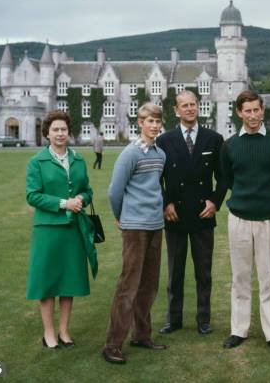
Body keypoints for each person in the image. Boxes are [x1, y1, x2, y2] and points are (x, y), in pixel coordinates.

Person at [220, 90, 270, 353]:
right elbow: (227, 179)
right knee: (240, 277)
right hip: (239, 217)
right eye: (247, 111)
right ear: (239, 113)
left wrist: (267, 199)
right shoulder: (229, 146)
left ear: (263, 110)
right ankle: (238, 329)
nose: (252, 115)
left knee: (269, 278)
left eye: (256, 110)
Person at [156, 90, 227, 336]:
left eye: (193, 104)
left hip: (203, 214)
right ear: (176, 111)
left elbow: (224, 177)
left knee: (203, 272)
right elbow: (157, 178)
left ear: (199, 107)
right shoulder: (165, 141)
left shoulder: (214, 139)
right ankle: (173, 319)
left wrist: (215, 202)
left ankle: (203, 320)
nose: (189, 109)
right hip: (174, 215)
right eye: (184, 105)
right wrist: (166, 204)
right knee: (175, 271)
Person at [25, 110, 98, 349]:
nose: (60, 134)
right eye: (55, 130)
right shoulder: (37, 162)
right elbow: (32, 195)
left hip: (73, 230)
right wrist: (63, 203)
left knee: (69, 281)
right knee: (47, 282)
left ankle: (64, 331)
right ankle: (48, 333)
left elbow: (88, 191)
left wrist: (80, 198)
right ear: (47, 133)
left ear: (69, 132)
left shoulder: (78, 160)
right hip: (48, 230)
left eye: (63, 129)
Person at [102, 103, 167, 365]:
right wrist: (121, 217)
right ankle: (112, 345)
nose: (154, 125)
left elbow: (155, 188)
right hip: (134, 227)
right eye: (149, 121)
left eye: (157, 121)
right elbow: (114, 191)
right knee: (128, 285)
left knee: (149, 285)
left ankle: (141, 335)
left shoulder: (160, 154)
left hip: (155, 225)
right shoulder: (129, 154)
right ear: (140, 123)